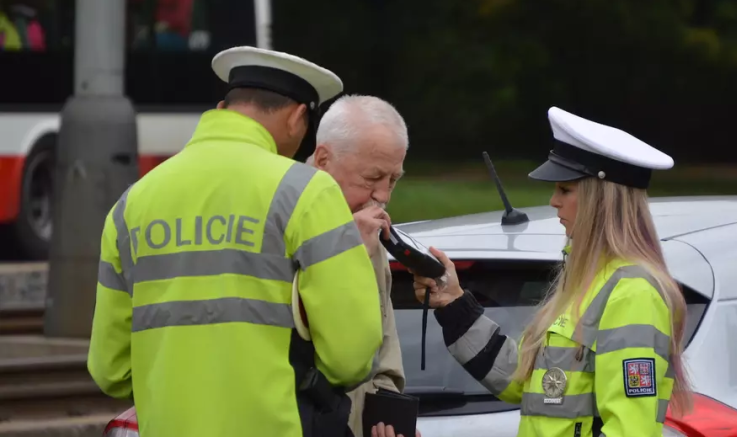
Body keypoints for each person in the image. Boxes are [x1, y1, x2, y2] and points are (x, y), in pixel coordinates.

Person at [87, 46, 384, 437]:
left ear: (223, 107)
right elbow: (351, 356)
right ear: (298, 117)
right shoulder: (308, 193)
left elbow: (110, 370)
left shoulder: (132, 204)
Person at [409, 107, 693, 437]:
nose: (553, 201)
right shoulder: (590, 278)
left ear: (601, 199)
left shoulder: (633, 291)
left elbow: (631, 430)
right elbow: (528, 383)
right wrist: (454, 303)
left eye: (565, 190)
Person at [307, 94, 409, 437]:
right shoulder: (282, 221)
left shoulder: (366, 230)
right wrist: (345, 256)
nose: (384, 196)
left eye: (393, 180)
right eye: (372, 178)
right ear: (323, 159)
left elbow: (385, 355)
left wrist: (390, 415)